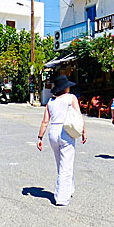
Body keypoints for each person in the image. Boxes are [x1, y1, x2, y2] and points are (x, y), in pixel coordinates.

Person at [36, 74, 86, 206]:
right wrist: (83, 131)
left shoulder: (50, 102)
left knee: (61, 164)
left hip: (53, 132)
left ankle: (69, 188)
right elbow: (78, 116)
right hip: (66, 132)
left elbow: (45, 121)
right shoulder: (71, 98)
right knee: (66, 165)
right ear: (66, 88)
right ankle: (61, 197)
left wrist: (40, 137)